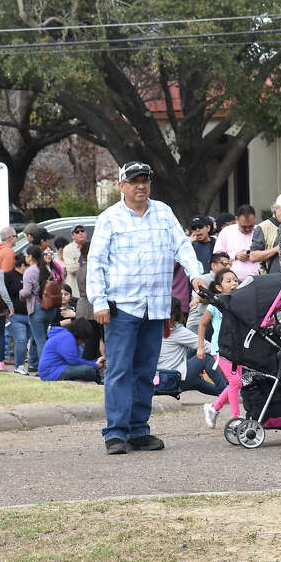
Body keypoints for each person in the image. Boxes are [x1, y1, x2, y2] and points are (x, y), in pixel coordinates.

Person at [86, 161, 206, 455]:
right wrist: (98, 302)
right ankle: (115, 432)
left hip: (156, 306)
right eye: (134, 180)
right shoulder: (110, 218)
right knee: (119, 370)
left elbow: (182, 246)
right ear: (121, 186)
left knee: (146, 371)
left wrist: (195, 274)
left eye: (145, 180)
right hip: (122, 307)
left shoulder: (163, 212)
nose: (141, 185)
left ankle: (138, 430)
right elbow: (96, 263)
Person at [200, 268, 241, 427]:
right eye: (228, 281)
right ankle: (236, 418)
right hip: (220, 349)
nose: (233, 283)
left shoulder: (239, 303)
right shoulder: (214, 305)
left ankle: (213, 407)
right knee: (235, 381)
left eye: (235, 280)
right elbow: (202, 324)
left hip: (237, 350)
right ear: (218, 287)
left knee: (235, 383)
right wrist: (201, 347)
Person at [158, 298, 224, 397]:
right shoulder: (177, 331)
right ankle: (227, 391)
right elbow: (206, 347)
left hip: (160, 379)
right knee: (204, 359)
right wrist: (227, 354)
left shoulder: (154, 329)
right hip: (173, 377)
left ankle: (227, 393)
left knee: (197, 382)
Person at [38, 316, 105, 383]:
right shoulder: (67, 338)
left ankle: (99, 379)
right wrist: (94, 365)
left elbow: (75, 360)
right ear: (80, 334)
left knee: (88, 368)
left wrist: (96, 361)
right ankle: (99, 381)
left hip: (56, 369)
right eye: (83, 340)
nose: (83, 342)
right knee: (88, 370)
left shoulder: (66, 335)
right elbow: (73, 361)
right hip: (51, 373)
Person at [21, 249, 56, 361]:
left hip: (36, 307)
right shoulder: (47, 268)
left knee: (40, 340)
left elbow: (26, 292)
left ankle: (44, 368)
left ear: (30, 256)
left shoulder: (29, 271)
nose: (25, 257)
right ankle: (46, 365)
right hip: (49, 307)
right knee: (44, 337)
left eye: (26, 255)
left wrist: (19, 293)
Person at [214, 204, 260, 283]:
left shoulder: (260, 230)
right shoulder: (226, 231)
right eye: (244, 227)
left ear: (255, 219)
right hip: (233, 282)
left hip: (258, 279)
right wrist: (235, 255)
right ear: (236, 219)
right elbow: (217, 256)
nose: (248, 229)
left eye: (251, 226)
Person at [249, 192, 281, 274]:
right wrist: (277, 249)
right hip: (272, 278)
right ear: (276, 208)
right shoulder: (263, 227)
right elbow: (253, 256)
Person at [5, 256, 35, 375]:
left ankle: (24, 364)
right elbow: (3, 294)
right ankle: (19, 366)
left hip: (30, 315)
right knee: (21, 340)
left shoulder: (30, 276)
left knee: (27, 340)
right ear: (23, 265)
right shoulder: (8, 276)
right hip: (15, 315)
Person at [62, 224, 89, 300]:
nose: (80, 233)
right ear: (72, 236)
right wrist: (85, 263)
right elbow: (71, 268)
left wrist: (80, 264)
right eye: (77, 232)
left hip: (90, 289)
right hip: (76, 291)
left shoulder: (92, 246)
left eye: (82, 231)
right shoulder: (68, 249)